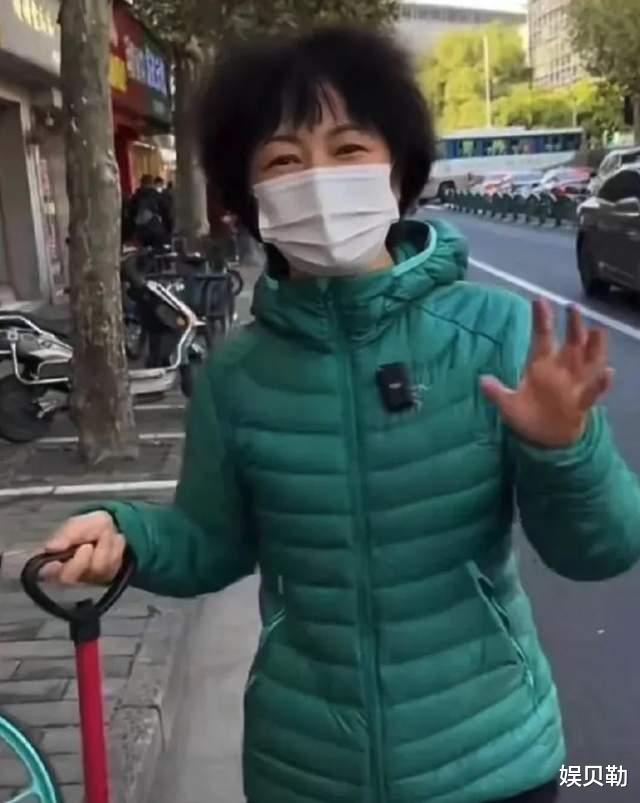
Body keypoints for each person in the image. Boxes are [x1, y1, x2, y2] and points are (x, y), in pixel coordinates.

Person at [42, 26, 640, 803]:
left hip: (493, 761)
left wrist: (567, 447)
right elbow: (209, 545)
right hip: (304, 769)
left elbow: (601, 549)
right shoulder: (236, 377)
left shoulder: (497, 334)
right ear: (250, 199)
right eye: (284, 161)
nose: (319, 179)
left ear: (399, 169)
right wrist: (127, 534)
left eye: (349, 148)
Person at [128, 174, 171, 248]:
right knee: (157, 250)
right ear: (151, 183)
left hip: (139, 230)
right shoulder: (156, 195)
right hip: (155, 228)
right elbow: (165, 212)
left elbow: (131, 214)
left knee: (143, 250)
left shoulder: (135, 197)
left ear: (141, 183)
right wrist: (168, 228)